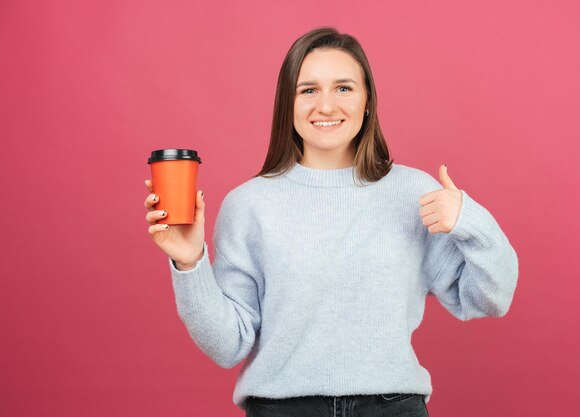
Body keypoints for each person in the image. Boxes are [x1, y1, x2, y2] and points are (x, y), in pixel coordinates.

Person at [143, 26, 518, 417]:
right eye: (308, 90)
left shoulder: (414, 193)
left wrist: (469, 220)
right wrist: (189, 263)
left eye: (343, 88)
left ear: (367, 100)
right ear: (287, 102)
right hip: (281, 410)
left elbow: (490, 299)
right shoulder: (249, 205)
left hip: (391, 408)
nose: (326, 106)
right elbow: (227, 346)